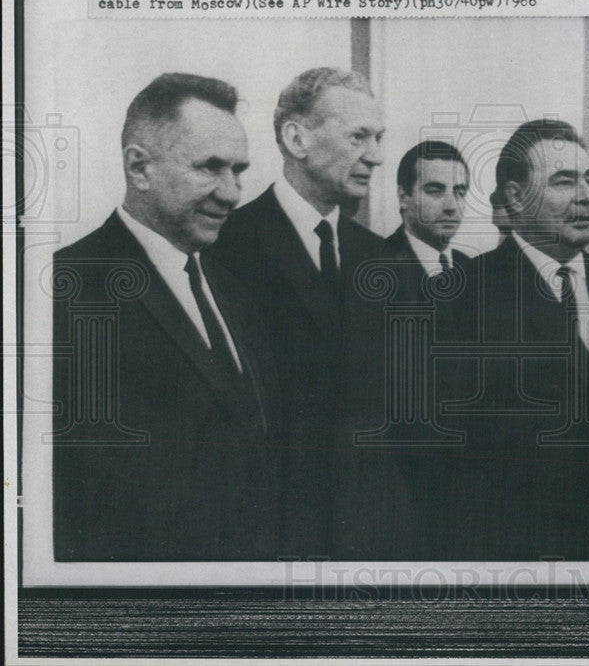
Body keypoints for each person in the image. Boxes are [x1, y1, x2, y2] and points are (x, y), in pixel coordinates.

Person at [51, 73, 281, 561]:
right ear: (139, 168)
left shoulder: (234, 290)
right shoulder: (67, 289)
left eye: (238, 170)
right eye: (209, 168)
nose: (233, 191)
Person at [213, 67, 414, 559]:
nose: (377, 156)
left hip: (373, 540)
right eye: (358, 137)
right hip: (274, 539)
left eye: (379, 138)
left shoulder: (383, 259)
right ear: (297, 138)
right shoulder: (225, 247)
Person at [462, 119, 589, 560]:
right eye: (564, 181)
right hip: (525, 568)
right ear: (515, 197)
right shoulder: (468, 294)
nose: (586, 196)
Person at [385, 140, 474, 300]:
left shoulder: (470, 268)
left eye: (459, 192)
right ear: (404, 197)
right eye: (435, 191)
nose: (451, 206)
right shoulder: (379, 265)